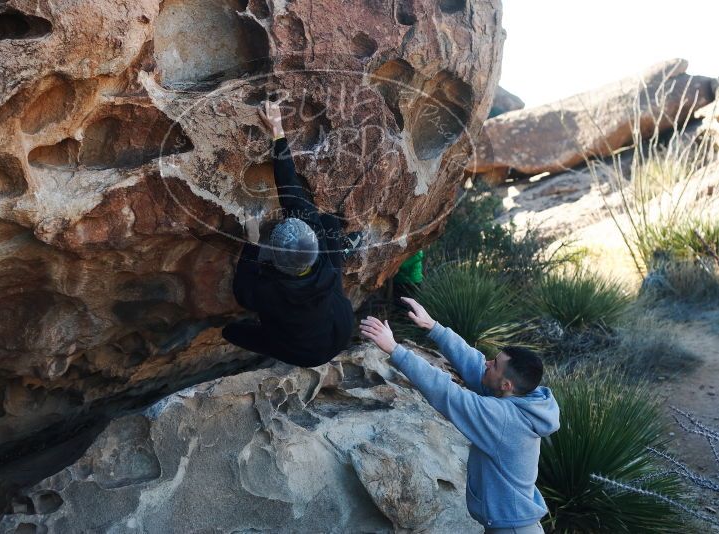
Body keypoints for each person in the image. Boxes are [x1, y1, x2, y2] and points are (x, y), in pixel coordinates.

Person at [359, 297, 560, 534]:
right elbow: (475, 365)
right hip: (514, 526)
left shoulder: (504, 419)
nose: (487, 362)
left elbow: (447, 393)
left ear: (506, 385)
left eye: (494, 365)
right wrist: (434, 327)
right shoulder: (526, 398)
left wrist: (395, 350)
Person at [222, 100, 360, 367]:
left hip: (300, 353)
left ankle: (340, 251)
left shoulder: (266, 293)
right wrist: (277, 130)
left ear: (273, 257)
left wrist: (250, 242)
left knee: (231, 333)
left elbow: (243, 292)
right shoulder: (319, 252)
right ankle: (342, 250)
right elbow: (290, 187)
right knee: (330, 225)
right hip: (339, 331)